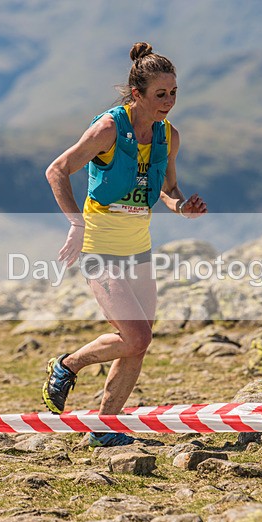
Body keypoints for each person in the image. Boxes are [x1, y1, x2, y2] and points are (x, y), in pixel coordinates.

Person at [42, 42, 207, 448]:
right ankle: (68, 364)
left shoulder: (170, 135)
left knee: (138, 343)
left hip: (140, 250)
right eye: (160, 94)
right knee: (136, 337)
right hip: (100, 249)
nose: (168, 102)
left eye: (173, 93)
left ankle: (105, 426)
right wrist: (76, 224)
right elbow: (57, 171)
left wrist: (182, 206)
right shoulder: (109, 129)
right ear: (137, 94)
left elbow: (168, 189)